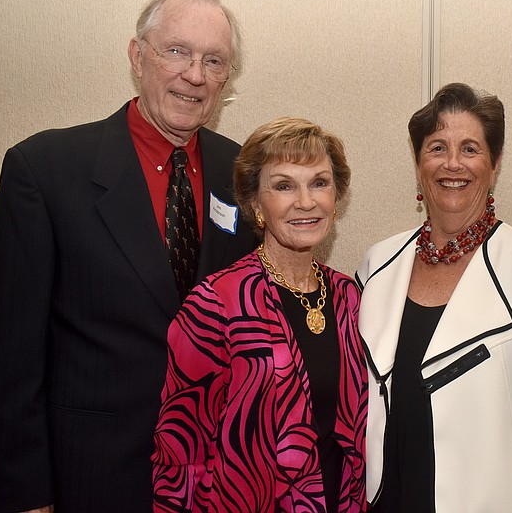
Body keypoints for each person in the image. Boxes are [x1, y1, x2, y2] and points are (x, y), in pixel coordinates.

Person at [0, 0, 255, 512]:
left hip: (217, 485)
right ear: (137, 55)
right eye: (176, 51)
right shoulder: (44, 171)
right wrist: (24, 498)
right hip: (91, 481)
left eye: (213, 60)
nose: (194, 75)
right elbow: (7, 365)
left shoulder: (240, 173)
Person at [357, 82, 512, 513]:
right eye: (437, 147)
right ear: (418, 164)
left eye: (470, 148)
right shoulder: (375, 268)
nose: (453, 163)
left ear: (495, 165)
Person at [151, 117, 367, 512]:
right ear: (254, 203)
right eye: (284, 185)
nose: (306, 201)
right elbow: (180, 453)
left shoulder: (350, 297)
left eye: (319, 182)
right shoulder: (216, 302)